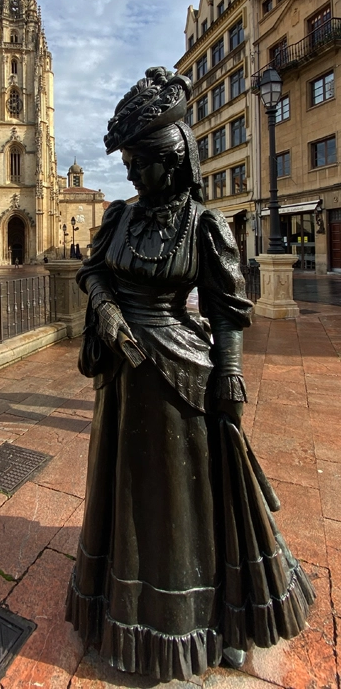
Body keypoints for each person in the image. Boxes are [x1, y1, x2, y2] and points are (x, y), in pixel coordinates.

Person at [65, 68, 314, 683]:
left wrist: (228, 375)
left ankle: (217, 615)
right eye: (126, 163)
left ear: (169, 161)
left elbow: (227, 309)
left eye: (138, 163)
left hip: (180, 376)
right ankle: (119, 605)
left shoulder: (204, 225)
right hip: (125, 380)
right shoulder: (120, 218)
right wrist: (108, 309)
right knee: (128, 490)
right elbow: (93, 273)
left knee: (187, 498)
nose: (129, 174)